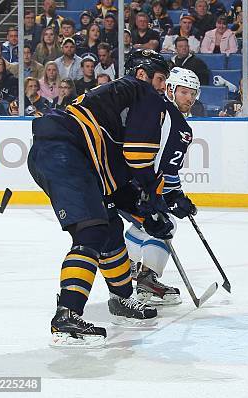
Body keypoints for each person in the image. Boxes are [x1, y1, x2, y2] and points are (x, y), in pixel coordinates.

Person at [27, 49, 171, 347]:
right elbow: (138, 157)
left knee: (109, 225)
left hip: (73, 155)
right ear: (142, 75)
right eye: (160, 79)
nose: (162, 88)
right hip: (64, 152)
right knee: (91, 229)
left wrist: (145, 213)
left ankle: (122, 300)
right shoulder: (140, 91)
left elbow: (117, 184)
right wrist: (150, 201)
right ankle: (66, 316)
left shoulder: (120, 102)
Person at [125, 67, 200, 305]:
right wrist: (175, 196)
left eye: (193, 93)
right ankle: (147, 282)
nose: (189, 98)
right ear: (170, 90)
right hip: (138, 187)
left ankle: (128, 269)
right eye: (184, 92)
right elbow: (165, 169)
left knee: (144, 226)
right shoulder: (177, 124)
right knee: (165, 226)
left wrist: (175, 194)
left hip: (122, 182)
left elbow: (163, 167)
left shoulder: (155, 109)